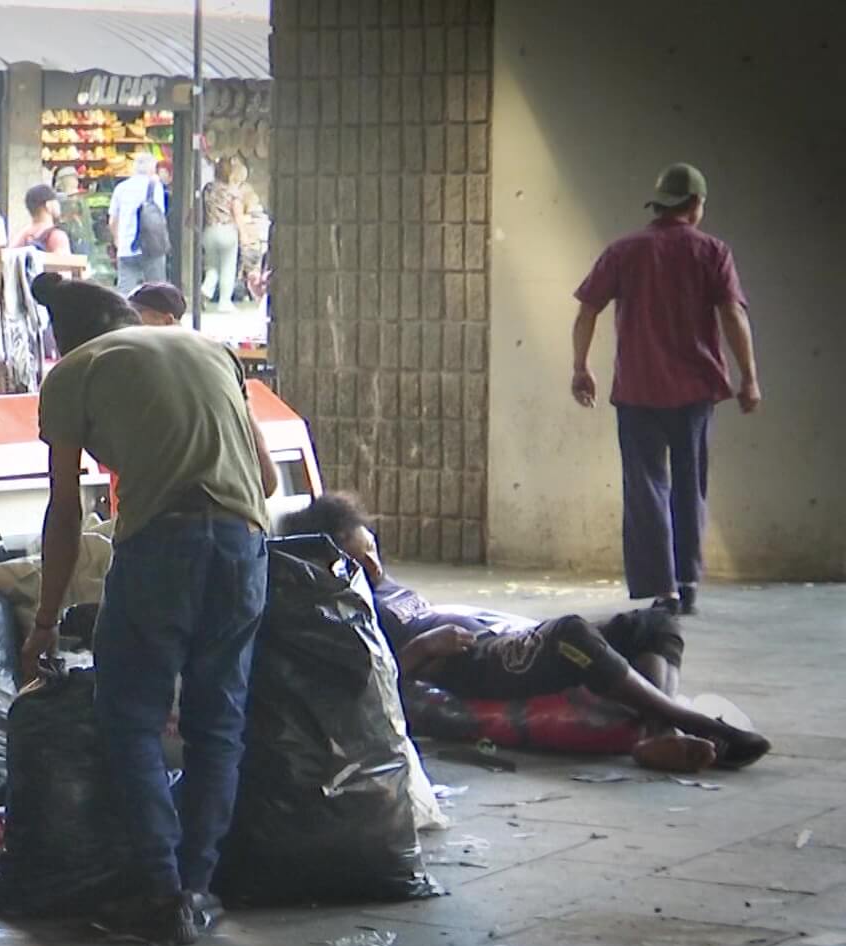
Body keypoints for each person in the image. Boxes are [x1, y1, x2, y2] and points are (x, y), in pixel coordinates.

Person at [22, 272, 278, 946]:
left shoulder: (73, 372)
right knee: (217, 722)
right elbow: (270, 478)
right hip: (245, 545)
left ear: (64, 338)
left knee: (129, 717)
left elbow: (65, 511)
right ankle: (197, 888)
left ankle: (160, 891)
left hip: (161, 545)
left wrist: (45, 622)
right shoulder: (206, 348)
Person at [278, 493, 772, 771]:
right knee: (571, 634)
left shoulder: (386, 585)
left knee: (655, 622)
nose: (372, 563)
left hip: (494, 639)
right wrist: (427, 646)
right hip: (478, 664)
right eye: (358, 558)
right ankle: (698, 723)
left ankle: (660, 732)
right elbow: (369, 682)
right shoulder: (345, 606)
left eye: (373, 549)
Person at [571, 163, 761, 617]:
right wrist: (749, 376)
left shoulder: (623, 251)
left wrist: (581, 367)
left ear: (660, 204)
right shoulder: (712, 251)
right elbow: (733, 315)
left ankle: (662, 591)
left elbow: (587, 310)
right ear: (695, 205)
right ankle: (688, 579)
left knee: (646, 487)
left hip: (637, 390)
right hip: (694, 392)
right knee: (689, 485)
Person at [109, 153, 168, 292]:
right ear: (152, 169)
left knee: (125, 291)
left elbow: (112, 220)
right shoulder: (155, 187)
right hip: (151, 246)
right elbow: (160, 215)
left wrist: (118, 240)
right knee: (156, 291)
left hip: (126, 247)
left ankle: (124, 314)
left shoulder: (121, 188)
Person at [198, 159, 249, 312]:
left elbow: (198, 210)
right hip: (227, 231)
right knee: (228, 267)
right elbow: (238, 215)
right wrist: (244, 235)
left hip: (209, 231)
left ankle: (205, 291)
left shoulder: (208, 189)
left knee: (212, 267)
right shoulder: (233, 192)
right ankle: (225, 302)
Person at [10, 184, 72, 255]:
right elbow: (65, 263)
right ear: (48, 205)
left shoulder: (21, 237)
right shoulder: (58, 236)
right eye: (55, 201)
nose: (58, 205)